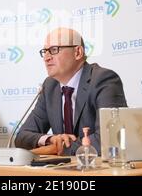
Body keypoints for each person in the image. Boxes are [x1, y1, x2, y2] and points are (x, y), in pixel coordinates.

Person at [15, 28, 127, 156]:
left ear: (78, 52)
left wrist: (57, 148)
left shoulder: (103, 80)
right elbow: (22, 137)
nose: (46, 58)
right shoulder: (50, 86)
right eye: (45, 51)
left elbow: (109, 138)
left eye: (54, 50)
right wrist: (50, 139)